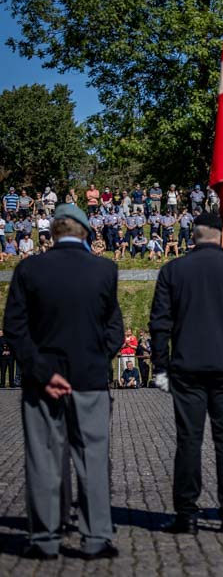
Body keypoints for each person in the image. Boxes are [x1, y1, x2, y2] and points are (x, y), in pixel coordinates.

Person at [2, 203, 123, 560]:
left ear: (52, 232)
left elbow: (15, 329)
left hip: (42, 381)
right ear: (85, 232)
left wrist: (41, 370)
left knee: (43, 460)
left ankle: (45, 538)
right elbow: (114, 330)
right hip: (89, 378)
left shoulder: (29, 269)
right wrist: (97, 360)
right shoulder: (104, 270)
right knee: (93, 458)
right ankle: (96, 536)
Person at [148, 212, 223, 534]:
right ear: (222, 234)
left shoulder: (173, 270)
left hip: (186, 366)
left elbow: (160, 323)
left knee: (188, 441)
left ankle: (186, 514)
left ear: (194, 235)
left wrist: (160, 366)